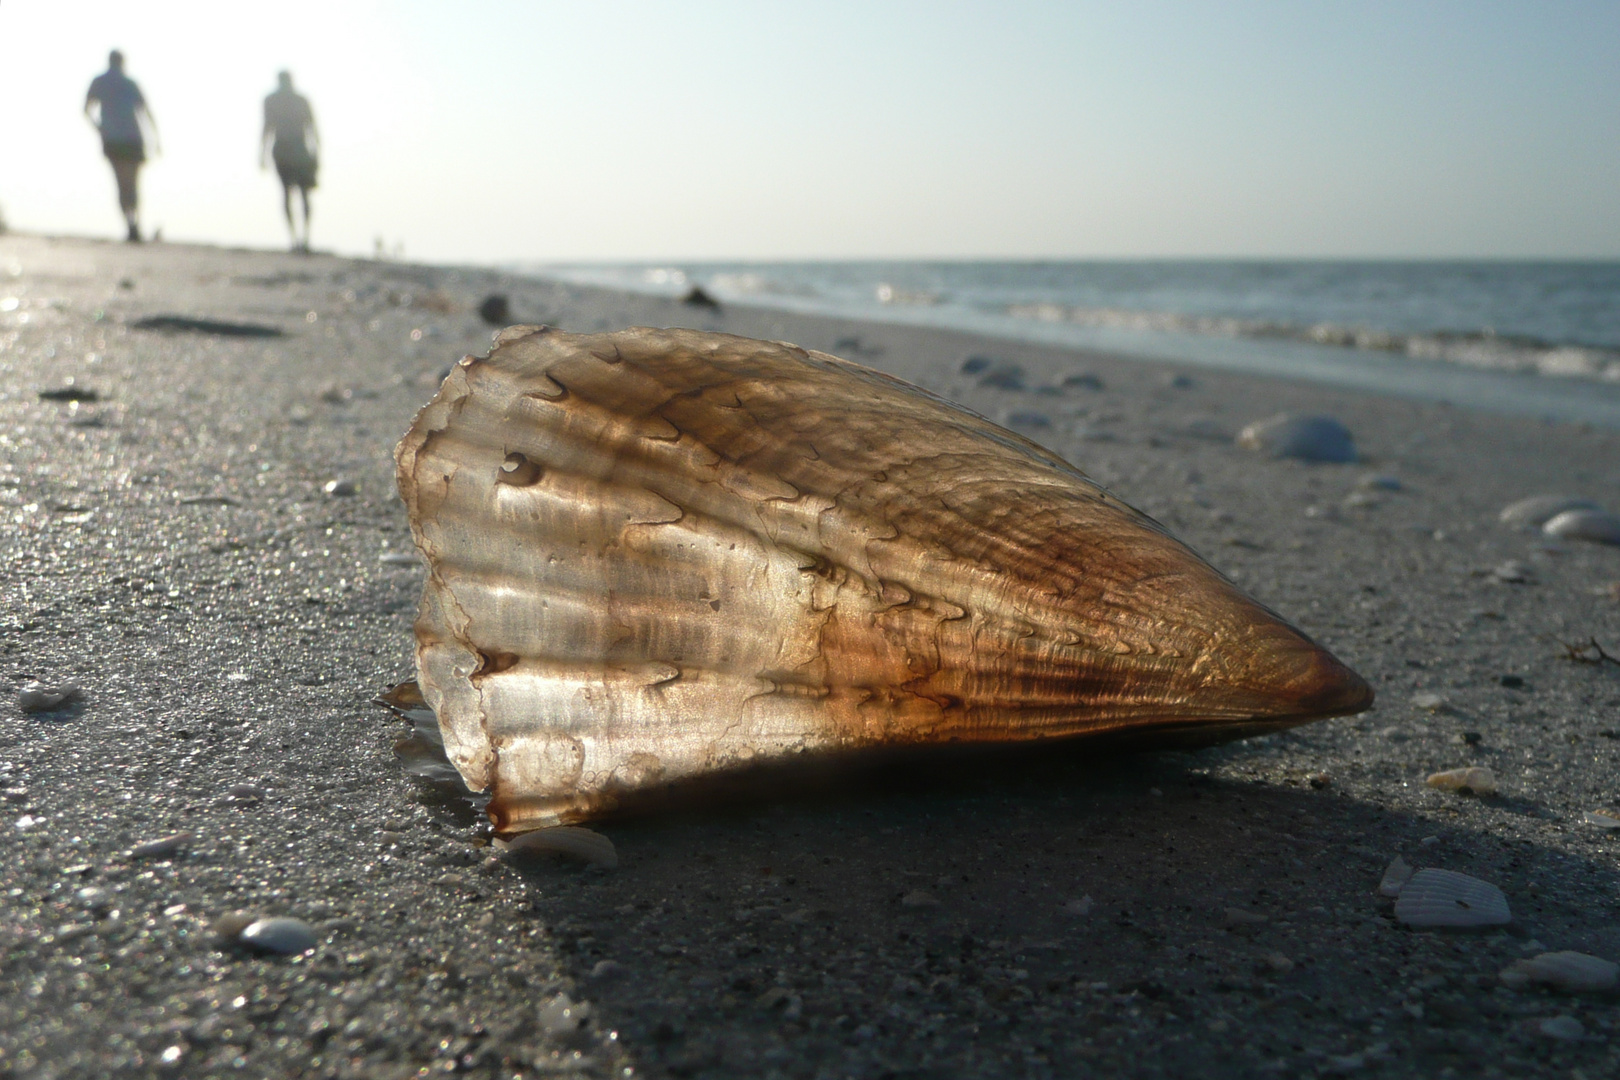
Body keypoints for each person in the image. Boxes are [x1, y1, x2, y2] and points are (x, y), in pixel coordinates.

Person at [84, 50, 158, 243]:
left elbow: (86, 109)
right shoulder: (129, 83)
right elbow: (146, 111)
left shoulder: (100, 81)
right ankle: (135, 223)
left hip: (114, 139)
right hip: (133, 138)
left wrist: (100, 128)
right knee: (133, 184)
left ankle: (130, 224)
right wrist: (156, 139)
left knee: (121, 183)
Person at [261, 71, 319, 252]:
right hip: (290, 149)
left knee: (298, 194)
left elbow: (312, 126)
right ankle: (297, 239)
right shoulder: (292, 100)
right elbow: (267, 126)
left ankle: (301, 238)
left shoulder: (285, 100)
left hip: (294, 148)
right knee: (293, 193)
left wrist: (262, 153)